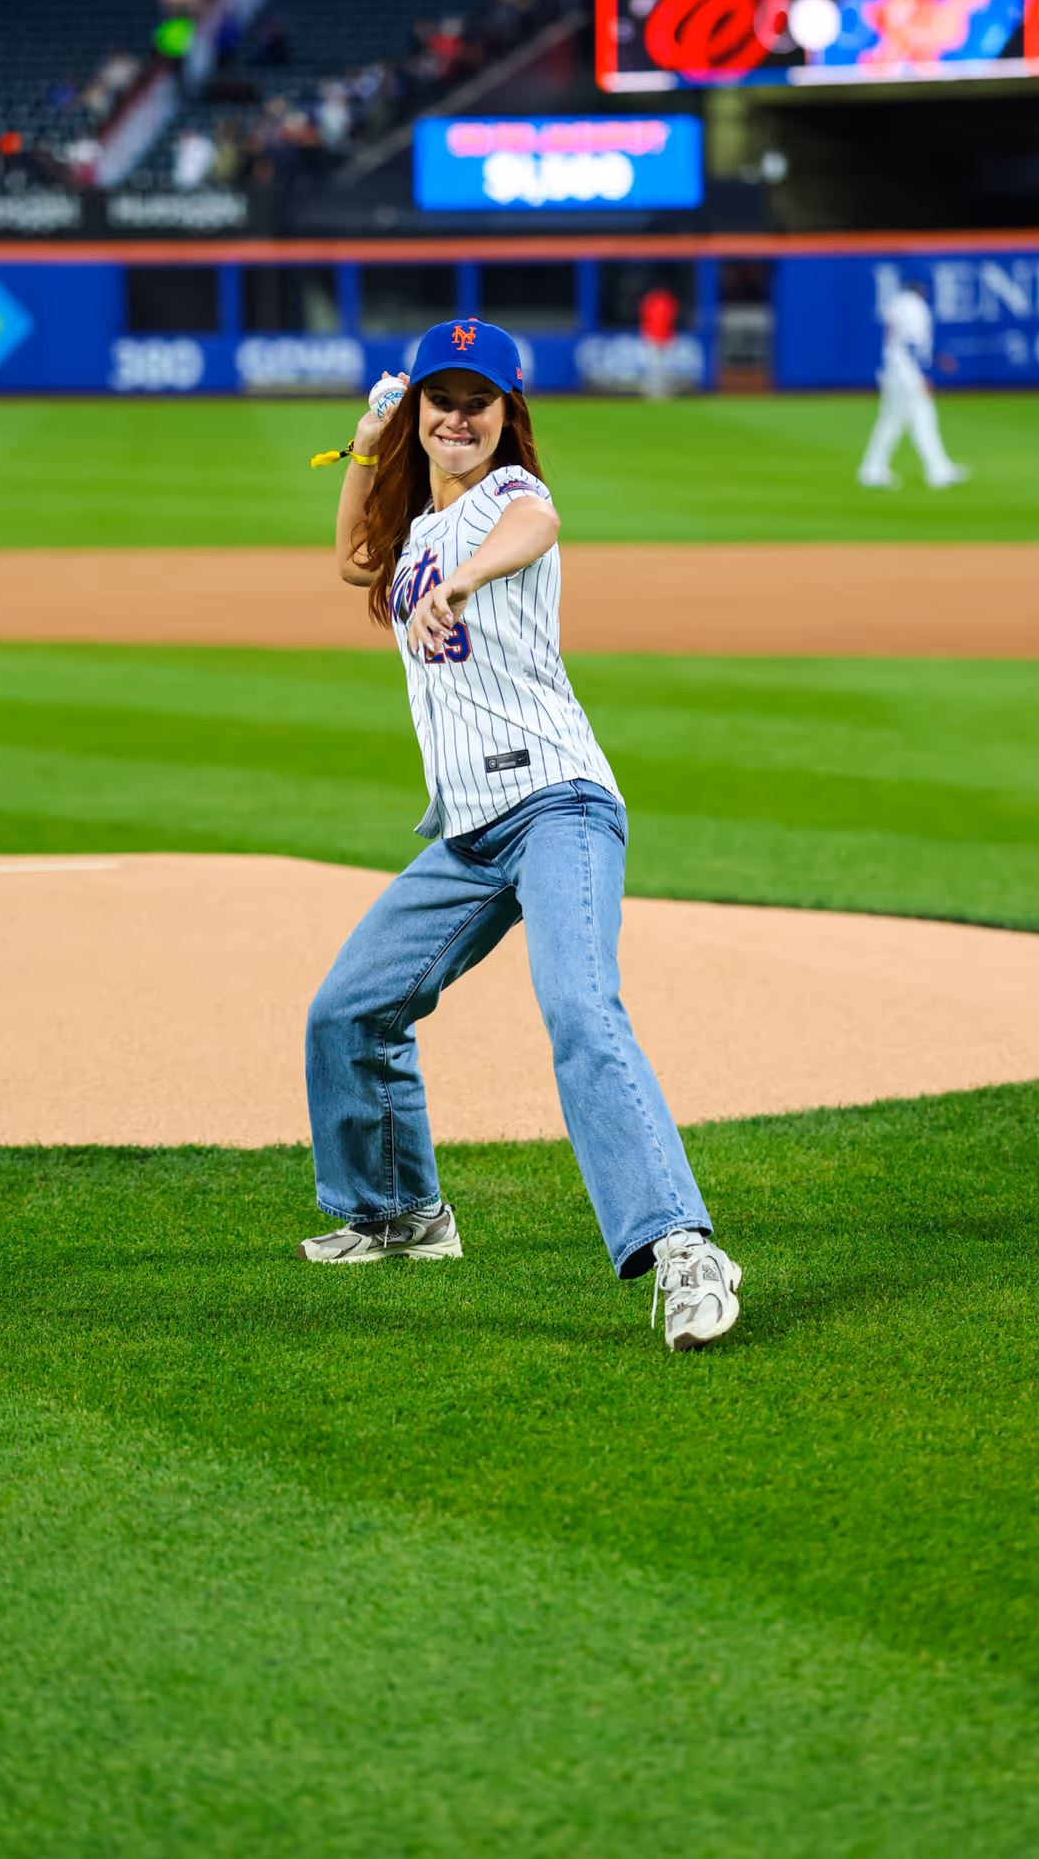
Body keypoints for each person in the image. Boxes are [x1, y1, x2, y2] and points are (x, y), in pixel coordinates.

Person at [300, 319, 742, 1352]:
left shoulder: (507, 500)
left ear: (506, 418)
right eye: (440, 401)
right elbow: (353, 556)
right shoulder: (415, 532)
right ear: (418, 411)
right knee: (348, 1012)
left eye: (478, 403)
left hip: (557, 805)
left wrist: (459, 585)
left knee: (580, 1010)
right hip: (465, 832)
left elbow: (536, 525)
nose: (458, 418)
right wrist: (367, 446)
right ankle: (403, 1216)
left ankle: (683, 1247)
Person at [858, 280, 969, 490]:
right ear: (920, 291)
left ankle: (872, 469)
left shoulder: (896, 304)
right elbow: (912, 344)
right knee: (923, 416)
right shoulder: (915, 307)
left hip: (891, 370)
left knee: (891, 421)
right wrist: (922, 375)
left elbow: (905, 342)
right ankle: (938, 471)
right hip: (907, 372)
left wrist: (936, 358)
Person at [638, 284, 680, 400]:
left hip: (667, 337)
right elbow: (645, 320)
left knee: (666, 366)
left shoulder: (669, 301)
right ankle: (653, 392)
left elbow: (672, 319)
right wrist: (647, 335)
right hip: (653, 337)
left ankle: (665, 392)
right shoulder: (650, 301)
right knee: (655, 367)